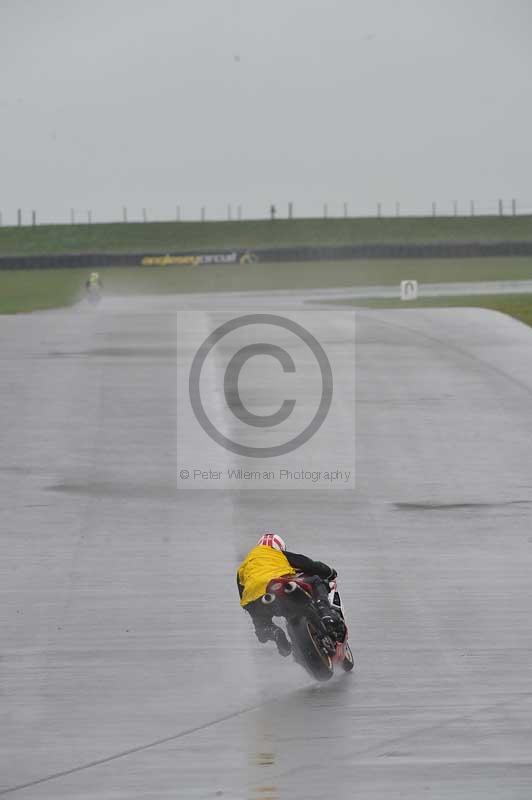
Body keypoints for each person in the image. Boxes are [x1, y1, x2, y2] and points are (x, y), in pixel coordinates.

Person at [237, 532, 345, 657]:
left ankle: (275, 632)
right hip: (277, 584)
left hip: (255, 598)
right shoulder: (277, 553)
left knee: (262, 626)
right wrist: (329, 572)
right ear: (279, 547)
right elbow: (309, 564)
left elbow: (242, 594)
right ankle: (326, 613)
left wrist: (254, 611)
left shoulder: (244, 565)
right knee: (316, 581)